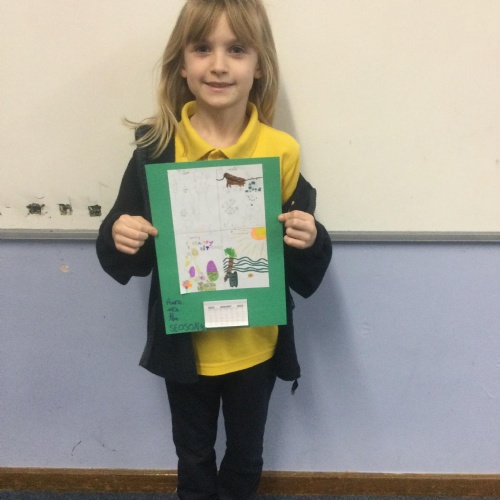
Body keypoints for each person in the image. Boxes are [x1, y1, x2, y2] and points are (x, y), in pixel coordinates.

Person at [96, 0, 332, 498]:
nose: (219, 65)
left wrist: (309, 236)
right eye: (202, 48)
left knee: (246, 455)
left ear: (259, 65)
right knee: (193, 454)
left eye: (237, 49)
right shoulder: (156, 149)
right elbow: (124, 242)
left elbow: (302, 256)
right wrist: (122, 234)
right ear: (181, 64)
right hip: (186, 346)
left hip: (256, 344)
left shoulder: (280, 151)